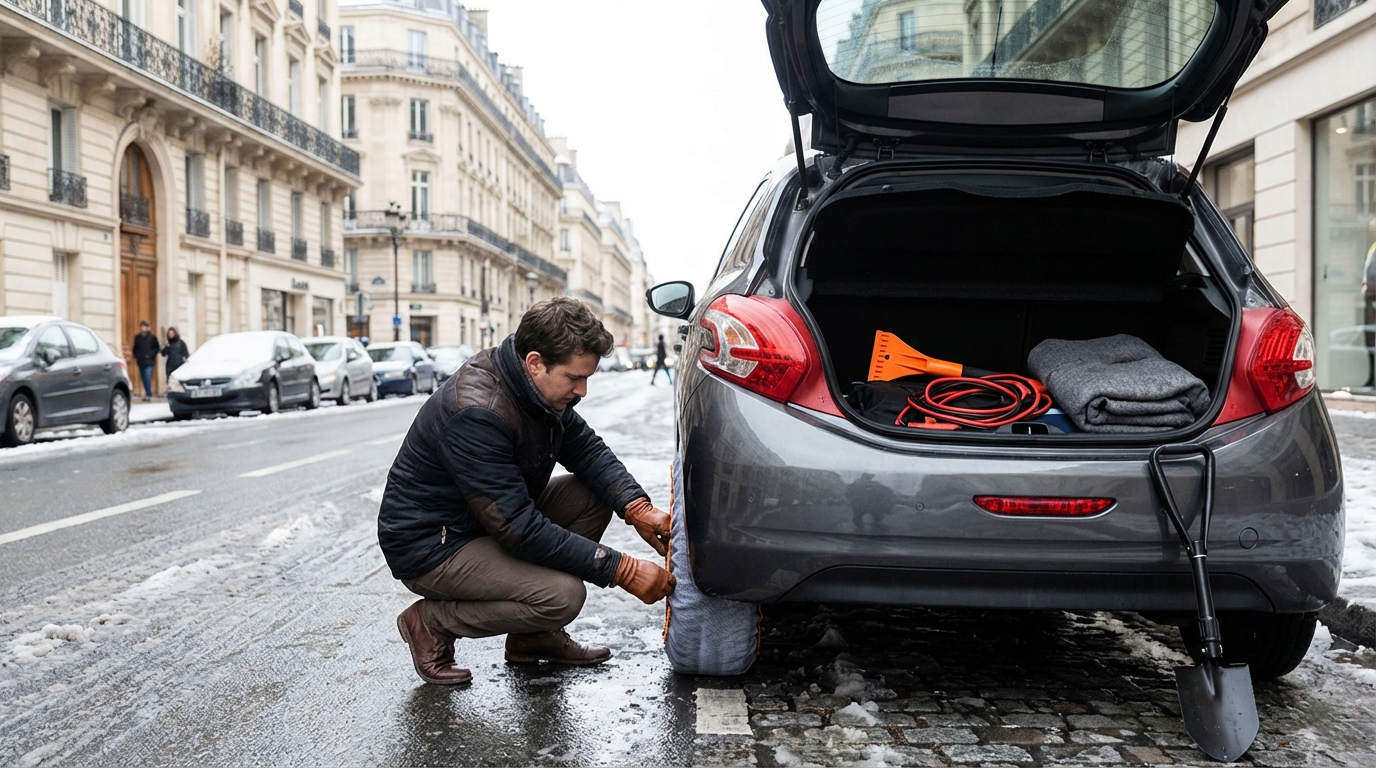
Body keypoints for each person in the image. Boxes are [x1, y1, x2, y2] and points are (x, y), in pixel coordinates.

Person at [379, 297, 676, 685]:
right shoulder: (479, 411)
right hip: (434, 544)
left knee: (594, 494)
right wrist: (622, 569)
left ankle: (534, 637)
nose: (582, 390)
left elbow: (586, 449)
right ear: (536, 362)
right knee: (562, 596)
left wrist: (636, 507)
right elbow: (519, 527)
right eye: (574, 378)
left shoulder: (531, 384)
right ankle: (431, 623)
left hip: (485, 519)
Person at [132, 320, 159, 401]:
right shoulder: (137, 337)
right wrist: (137, 356)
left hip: (149, 361)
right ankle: (147, 393)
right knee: (143, 378)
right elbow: (135, 348)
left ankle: (148, 394)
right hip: (141, 361)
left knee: (147, 377)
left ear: (148, 328)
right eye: (142, 326)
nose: (143, 328)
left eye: (145, 326)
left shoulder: (153, 337)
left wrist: (151, 355)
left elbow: (157, 348)